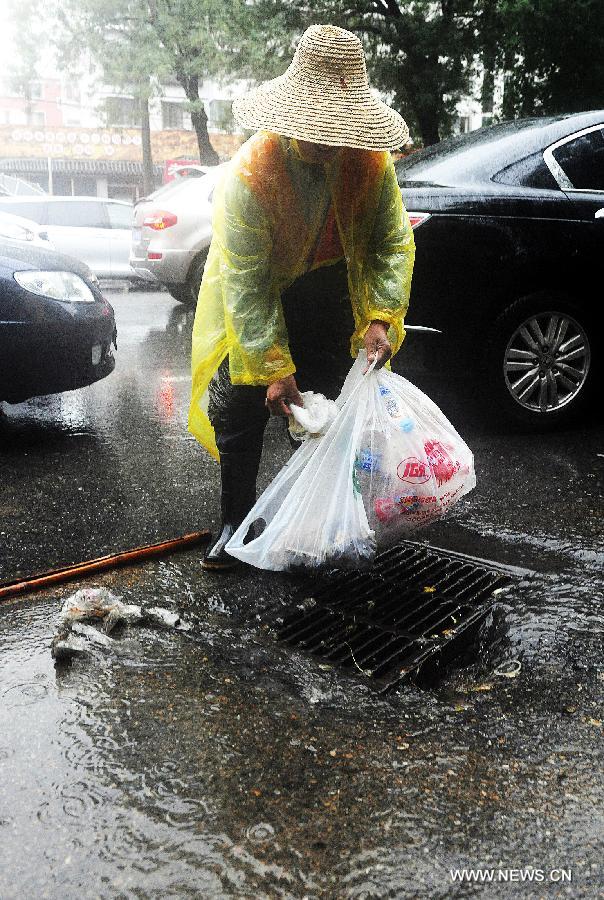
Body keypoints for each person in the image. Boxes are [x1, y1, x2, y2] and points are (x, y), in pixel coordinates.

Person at [188, 23, 416, 570]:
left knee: (318, 416)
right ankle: (235, 521)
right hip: (256, 296)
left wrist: (382, 316)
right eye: (319, 127)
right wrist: (271, 364)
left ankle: (311, 524)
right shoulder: (251, 172)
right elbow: (244, 278)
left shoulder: (369, 163)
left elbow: (391, 239)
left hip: (328, 293)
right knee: (240, 408)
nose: (329, 140)